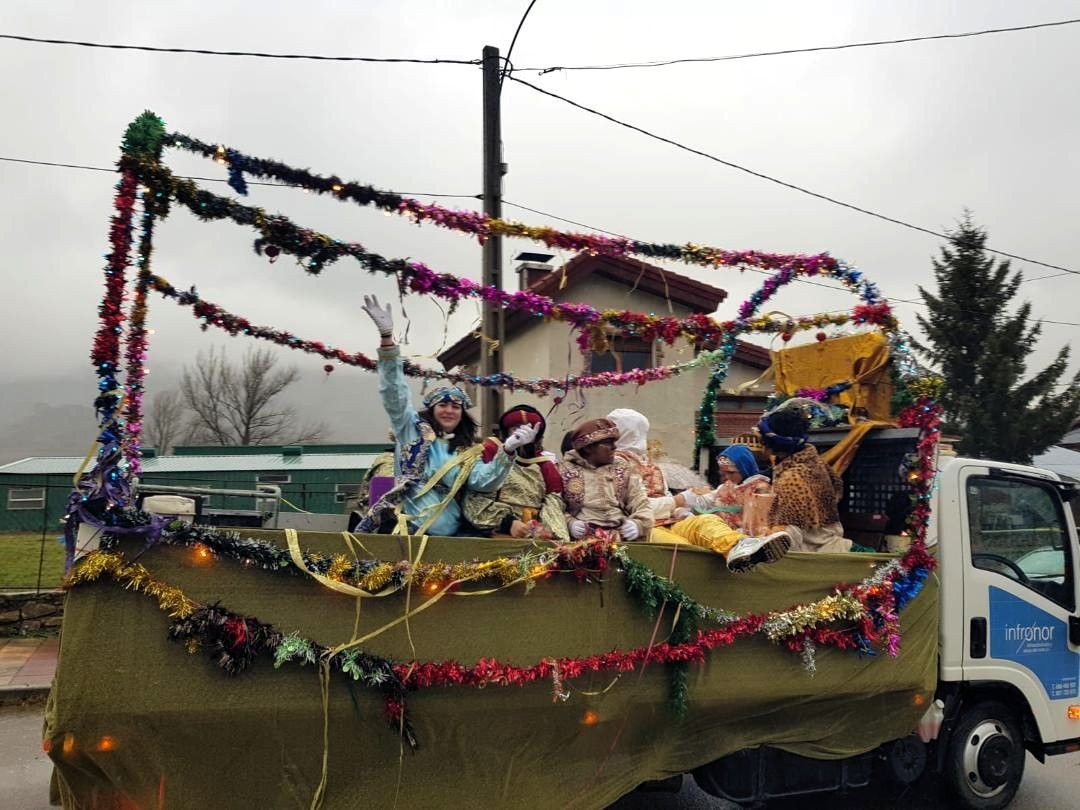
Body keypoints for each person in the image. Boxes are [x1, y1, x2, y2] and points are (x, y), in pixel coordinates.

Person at [359, 295, 538, 536]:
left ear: (463, 413)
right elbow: (394, 393)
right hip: (407, 533)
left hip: (451, 538)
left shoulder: (464, 452)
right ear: (432, 408)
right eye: (443, 404)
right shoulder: (411, 429)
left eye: (455, 406)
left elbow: (482, 482)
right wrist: (388, 342)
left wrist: (507, 451)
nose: (449, 410)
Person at [606, 409, 788, 570]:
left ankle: (740, 547)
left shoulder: (648, 464)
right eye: (640, 432)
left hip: (670, 521)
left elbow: (666, 494)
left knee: (706, 521)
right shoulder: (612, 467)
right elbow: (626, 508)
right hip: (642, 528)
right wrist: (678, 501)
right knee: (687, 551)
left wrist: (680, 510)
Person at [759, 399, 853, 553]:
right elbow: (838, 488)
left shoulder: (791, 478)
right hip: (832, 543)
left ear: (770, 443)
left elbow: (788, 534)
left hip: (813, 553)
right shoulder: (816, 464)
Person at [462, 405, 570, 540]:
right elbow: (476, 495)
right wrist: (507, 523)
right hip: (492, 530)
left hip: (533, 534)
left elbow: (553, 503)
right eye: (515, 428)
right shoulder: (490, 451)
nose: (522, 433)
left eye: (528, 429)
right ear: (507, 432)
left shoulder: (544, 464)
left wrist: (548, 532)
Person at [558, 418, 653, 541]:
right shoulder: (563, 470)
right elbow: (553, 507)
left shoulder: (622, 467)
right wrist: (569, 523)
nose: (614, 447)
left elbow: (641, 502)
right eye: (607, 443)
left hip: (621, 536)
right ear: (588, 448)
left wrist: (638, 524)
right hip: (580, 540)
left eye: (614, 442)